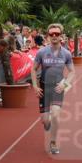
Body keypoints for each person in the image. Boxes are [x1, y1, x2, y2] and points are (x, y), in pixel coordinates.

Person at [31, 23, 74, 155]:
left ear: (61, 36)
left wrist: (64, 84)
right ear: (47, 36)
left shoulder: (66, 53)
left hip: (57, 88)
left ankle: (53, 142)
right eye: (51, 34)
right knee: (46, 120)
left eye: (57, 34)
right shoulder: (42, 52)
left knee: (55, 115)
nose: (54, 36)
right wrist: (35, 86)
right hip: (44, 88)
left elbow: (72, 72)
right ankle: (47, 123)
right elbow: (33, 69)